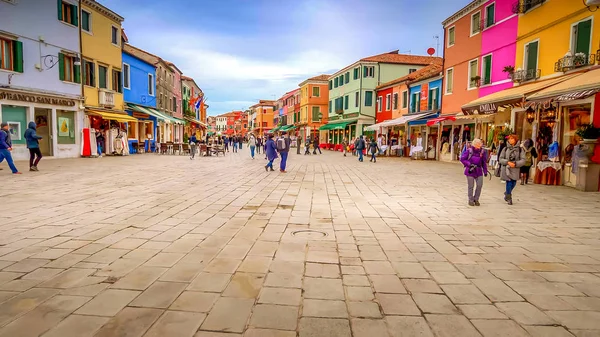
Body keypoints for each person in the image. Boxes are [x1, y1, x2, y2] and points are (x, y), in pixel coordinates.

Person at [460, 138, 488, 206]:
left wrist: (485, 171)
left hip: (479, 170)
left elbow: (484, 162)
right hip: (470, 170)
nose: (479, 145)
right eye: (478, 144)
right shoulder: (469, 151)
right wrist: (469, 164)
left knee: (479, 185)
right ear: (474, 144)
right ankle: (470, 199)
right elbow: (462, 159)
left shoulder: (482, 152)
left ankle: (476, 199)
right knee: (471, 186)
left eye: (480, 144)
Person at [499, 134, 525, 205]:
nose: (510, 140)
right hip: (507, 168)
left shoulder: (520, 149)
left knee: (513, 183)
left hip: (515, 168)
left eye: (512, 139)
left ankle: (507, 192)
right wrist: (507, 162)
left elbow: (523, 160)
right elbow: (500, 159)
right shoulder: (505, 149)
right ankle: (509, 198)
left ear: (515, 140)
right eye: (509, 139)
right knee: (509, 182)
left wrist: (516, 164)